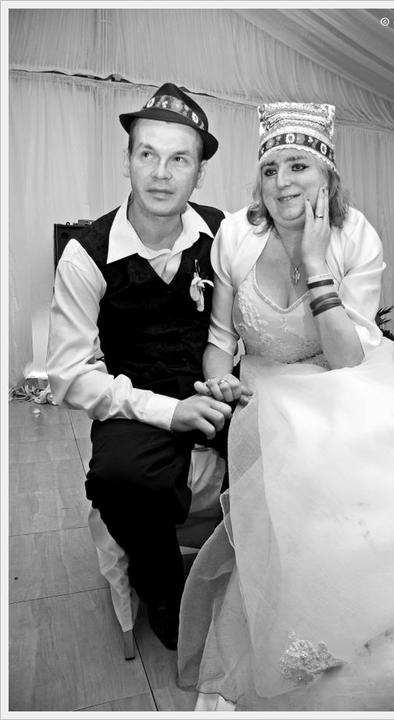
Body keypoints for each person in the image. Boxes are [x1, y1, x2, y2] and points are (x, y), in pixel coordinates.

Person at [176, 102, 394, 710]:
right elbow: (220, 343)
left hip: (343, 375)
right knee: (309, 453)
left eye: (298, 166)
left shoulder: (355, 235)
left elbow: (348, 359)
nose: (282, 182)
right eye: (270, 169)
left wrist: (316, 266)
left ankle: (390, 608)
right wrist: (219, 383)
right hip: (267, 386)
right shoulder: (234, 236)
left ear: (327, 176)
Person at [47, 83, 233, 651]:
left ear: (199, 172)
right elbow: (69, 375)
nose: (161, 173)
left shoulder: (223, 233)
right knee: (118, 478)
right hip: (134, 399)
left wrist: (226, 381)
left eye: (180, 159)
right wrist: (169, 412)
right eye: (147, 154)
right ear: (126, 160)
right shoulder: (86, 253)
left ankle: (255, 572)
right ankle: (162, 590)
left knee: (286, 442)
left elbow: (237, 325)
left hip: (213, 386)